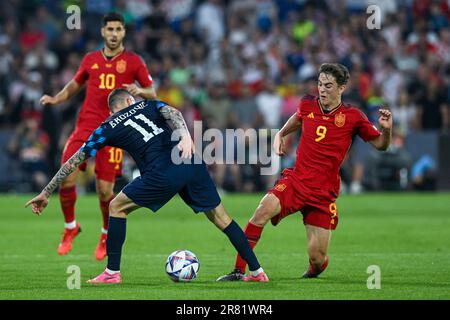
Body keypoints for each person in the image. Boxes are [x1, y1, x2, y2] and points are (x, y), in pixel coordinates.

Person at [26, 89, 269, 284]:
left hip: (161, 173)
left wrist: (46, 192)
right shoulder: (148, 103)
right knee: (222, 218)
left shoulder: (107, 126)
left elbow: (74, 160)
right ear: (130, 99)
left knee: (116, 207)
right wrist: (185, 136)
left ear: (111, 110)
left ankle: (112, 272)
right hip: (190, 161)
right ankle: (257, 271)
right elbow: (173, 113)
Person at [217, 63, 393, 281]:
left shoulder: (353, 116)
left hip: (323, 192)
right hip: (296, 181)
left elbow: (381, 145)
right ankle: (239, 271)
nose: (322, 89)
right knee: (262, 210)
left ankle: (315, 268)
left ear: (342, 87)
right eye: (320, 84)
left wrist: (386, 130)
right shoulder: (308, 104)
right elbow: (297, 118)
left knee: (318, 257)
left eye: (329, 85)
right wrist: (280, 134)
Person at [39, 13, 157, 260]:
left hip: (114, 132)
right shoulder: (90, 59)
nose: (114, 33)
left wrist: (141, 91)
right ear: (103, 32)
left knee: (105, 191)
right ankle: (71, 228)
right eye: (110, 29)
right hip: (84, 128)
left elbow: (153, 92)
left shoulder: (134, 61)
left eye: (118, 29)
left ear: (124, 32)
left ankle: (105, 234)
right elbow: (75, 84)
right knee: (67, 177)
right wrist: (56, 98)